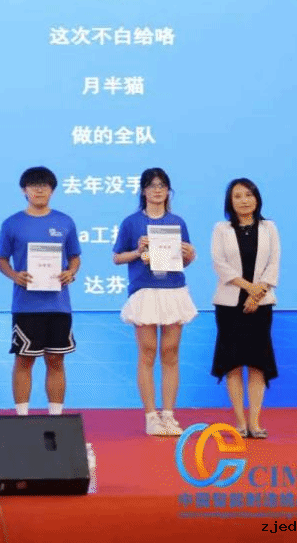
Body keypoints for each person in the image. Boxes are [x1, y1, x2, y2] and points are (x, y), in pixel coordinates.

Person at [112, 168, 198, 437]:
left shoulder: (177, 222)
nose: (157, 190)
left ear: (168, 191)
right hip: (145, 291)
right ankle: (151, 415)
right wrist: (138, 251)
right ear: (143, 191)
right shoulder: (131, 222)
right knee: (147, 353)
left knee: (170, 353)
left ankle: (169, 414)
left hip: (173, 290)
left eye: (162, 185)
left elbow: (183, 261)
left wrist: (190, 255)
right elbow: (117, 257)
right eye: (152, 185)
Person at [0, 166, 81, 417]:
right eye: (34, 185)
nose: (39, 190)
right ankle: (22, 417)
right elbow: (1, 260)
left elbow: (75, 257)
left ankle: (56, 417)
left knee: (56, 359)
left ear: (52, 190)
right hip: (26, 305)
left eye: (44, 185)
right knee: (24, 359)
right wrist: (15, 276)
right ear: (24, 190)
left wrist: (71, 272)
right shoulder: (12, 223)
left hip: (58, 305)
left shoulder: (65, 222)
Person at [210, 178, 280, 438]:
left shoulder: (269, 227)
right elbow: (220, 264)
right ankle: (240, 422)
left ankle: (255, 422)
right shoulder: (221, 229)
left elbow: (273, 263)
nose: (244, 200)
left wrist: (257, 293)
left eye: (249, 195)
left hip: (261, 304)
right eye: (238, 196)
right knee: (234, 363)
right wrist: (249, 288)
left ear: (257, 198)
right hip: (229, 305)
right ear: (230, 201)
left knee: (258, 362)